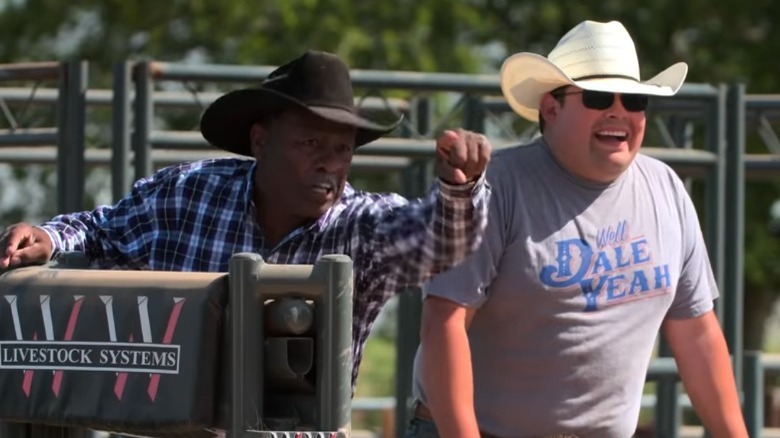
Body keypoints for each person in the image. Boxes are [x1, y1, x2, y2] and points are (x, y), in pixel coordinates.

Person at [0, 50, 493, 390]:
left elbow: (438, 243)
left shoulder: (362, 225)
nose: (330, 163)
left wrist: (459, 189)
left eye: (342, 149)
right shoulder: (188, 192)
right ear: (260, 141)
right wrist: (48, 236)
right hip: (175, 428)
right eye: (311, 143)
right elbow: (104, 230)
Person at [408, 20, 748, 438]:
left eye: (636, 99)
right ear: (551, 108)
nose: (619, 111)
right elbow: (444, 323)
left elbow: (697, 334)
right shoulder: (494, 187)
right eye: (599, 95)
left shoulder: (665, 188)